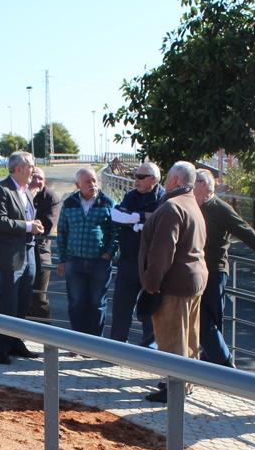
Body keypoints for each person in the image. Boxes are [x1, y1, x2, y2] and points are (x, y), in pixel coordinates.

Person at [197, 169, 255, 366]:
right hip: (196, 271)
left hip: (215, 272)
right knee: (205, 323)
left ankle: (225, 365)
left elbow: (247, 233)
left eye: (193, 184)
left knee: (209, 322)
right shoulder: (193, 206)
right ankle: (211, 360)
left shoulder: (220, 208)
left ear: (203, 185)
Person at [138, 161, 209, 403]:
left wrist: (150, 285)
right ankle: (185, 383)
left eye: (168, 176)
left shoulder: (171, 207)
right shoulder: (193, 204)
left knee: (172, 338)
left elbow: (162, 253)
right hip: (194, 280)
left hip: (174, 284)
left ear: (176, 180)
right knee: (190, 336)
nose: (166, 181)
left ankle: (175, 388)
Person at [0, 151, 43, 363]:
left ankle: (16, 342)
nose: (34, 170)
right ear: (19, 168)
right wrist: (29, 226)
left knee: (23, 301)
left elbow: (27, 218)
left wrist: (35, 226)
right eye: (31, 166)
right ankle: (1, 346)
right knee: (8, 302)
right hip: (11, 255)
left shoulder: (26, 191)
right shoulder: (0, 189)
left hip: (28, 252)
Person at [56, 167, 117, 338]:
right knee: (76, 302)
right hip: (74, 262)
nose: (92, 184)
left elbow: (116, 232)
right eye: (87, 181)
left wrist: (109, 254)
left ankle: (95, 343)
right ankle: (77, 342)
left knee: (97, 303)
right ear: (78, 185)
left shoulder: (108, 203)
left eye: (94, 180)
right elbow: (62, 232)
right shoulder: (69, 203)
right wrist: (62, 260)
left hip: (99, 262)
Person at [109, 161, 164, 345]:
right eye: (135, 176)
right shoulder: (130, 196)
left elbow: (158, 224)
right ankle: (116, 347)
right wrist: (140, 218)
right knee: (121, 307)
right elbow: (116, 216)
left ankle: (149, 352)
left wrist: (133, 220)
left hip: (151, 265)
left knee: (150, 310)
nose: (136, 180)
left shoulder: (163, 198)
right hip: (128, 261)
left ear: (154, 179)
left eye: (140, 177)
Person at [27, 167, 62, 322]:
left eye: (40, 178)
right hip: (21, 253)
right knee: (23, 297)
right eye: (34, 177)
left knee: (39, 297)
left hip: (41, 254)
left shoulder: (51, 197)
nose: (37, 181)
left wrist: (27, 223)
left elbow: (46, 227)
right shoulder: (20, 194)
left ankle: (47, 338)